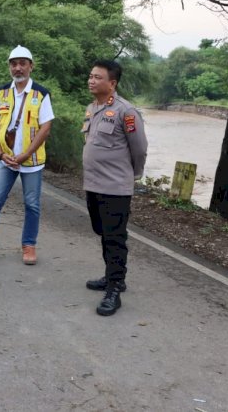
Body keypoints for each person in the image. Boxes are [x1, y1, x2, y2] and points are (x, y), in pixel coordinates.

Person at [0, 45, 54, 265]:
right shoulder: (1, 92)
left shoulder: (41, 94)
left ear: (31, 66)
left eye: (23, 63)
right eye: (14, 64)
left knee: (32, 204)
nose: (18, 68)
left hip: (31, 161)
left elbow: (45, 128)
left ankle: (29, 246)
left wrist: (25, 154)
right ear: (9, 67)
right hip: (6, 160)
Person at [82, 59, 148, 317]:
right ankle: (112, 276)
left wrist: (132, 175)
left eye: (97, 77)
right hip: (93, 184)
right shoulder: (92, 108)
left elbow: (139, 148)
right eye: (91, 76)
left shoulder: (126, 112)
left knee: (114, 237)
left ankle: (114, 289)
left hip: (115, 188)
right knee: (102, 231)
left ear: (112, 83)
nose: (91, 80)